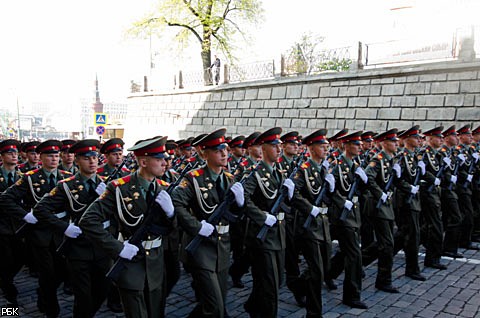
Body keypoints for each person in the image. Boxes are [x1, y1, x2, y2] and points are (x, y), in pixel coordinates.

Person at [80, 136, 176, 318]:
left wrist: (171, 214)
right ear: (143, 161)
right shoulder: (119, 188)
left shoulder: (165, 188)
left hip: (155, 263)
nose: (165, 163)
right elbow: (88, 221)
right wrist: (118, 248)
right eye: (159, 159)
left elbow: (172, 230)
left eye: (165, 159)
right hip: (129, 262)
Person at [172, 128, 245, 318]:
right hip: (201, 248)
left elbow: (234, 213)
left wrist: (240, 203)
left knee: (215, 300)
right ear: (205, 154)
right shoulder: (193, 178)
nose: (224, 153)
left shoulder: (229, 178)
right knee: (215, 307)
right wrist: (197, 227)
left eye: (225, 149)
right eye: (217, 150)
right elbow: (176, 204)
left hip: (222, 246)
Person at [33, 139, 110, 318]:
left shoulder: (109, 185)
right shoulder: (66, 185)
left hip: (102, 246)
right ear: (77, 161)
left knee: (103, 290)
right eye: (86, 158)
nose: (91, 161)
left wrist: (106, 199)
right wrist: (64, 228)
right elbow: (40, 209)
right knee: (83, 298)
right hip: (78, 249)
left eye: (94, 157)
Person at [0, 140, 72, 317]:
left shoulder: (68, 177)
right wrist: (25, 215)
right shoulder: (30, 177)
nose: (54, 159)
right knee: (45, 273)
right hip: (37, 232)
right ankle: (49, 310)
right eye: (50, 155)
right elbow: (6, 199)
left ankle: (42, 294)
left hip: (61, 231)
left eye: (57, 155)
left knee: (62, 272)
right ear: (41, 157)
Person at [243, 127, 292, 318]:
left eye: (279, 145)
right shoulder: (254, 173)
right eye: (274, 146)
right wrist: (262, 216)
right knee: (270, 284)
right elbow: (244, 201)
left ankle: (253, 305)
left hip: (278, 233)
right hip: (262, 235)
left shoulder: (278, 173)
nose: (279, 149)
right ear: (263, 148)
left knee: (276, 280)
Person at [288, 129, 336, 315]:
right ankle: (314, 312)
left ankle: (298, 286)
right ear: (312, 148)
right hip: (308, 225)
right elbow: (293, 193)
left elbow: (328, 197)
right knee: (316, 272)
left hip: (323, 224)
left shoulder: (324, 168)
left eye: (326, 146)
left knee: (324, 267)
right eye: (322, 146)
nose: (326, 148)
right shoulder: (304, 170)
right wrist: (309, 207)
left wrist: (331, 189)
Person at [327, 131, 368, 308]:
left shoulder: (355, 165)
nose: (360, 147)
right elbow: (330, 190)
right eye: (356, 144)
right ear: (346, 146)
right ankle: (352, 296)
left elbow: (361, 191)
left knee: (345, 253)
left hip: (354, 215)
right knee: (354, 255)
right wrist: (342, 202)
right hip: (342, 217)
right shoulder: (337, 166)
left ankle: (313, 280)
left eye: (360, 145)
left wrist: (364, 181)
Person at [364, 128, 401, 293]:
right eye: (393, 141)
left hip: (388, 206)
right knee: (386, 245)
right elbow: (368, 177)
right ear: (385, 143)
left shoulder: (391, 160)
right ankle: (383, 280)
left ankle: (355, 263)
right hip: (379, 207)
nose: (396, 144)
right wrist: (380, 194)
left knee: (383, 244)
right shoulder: (378, 159)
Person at [393, 126, 426, 281]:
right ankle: (412, 269)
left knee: (403, 236)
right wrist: (408, 187)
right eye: (416, 137)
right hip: (405, 201)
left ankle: (379, 255)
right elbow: (397, 180)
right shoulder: (401, 157)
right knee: (411, 236)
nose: (419, 140)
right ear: (406, 139)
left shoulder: (414, 157)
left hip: (413, 200)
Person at [419, 126, 448, 269]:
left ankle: (431, 255)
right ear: (430, 139)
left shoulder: (435, 154)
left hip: (434, 193)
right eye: (438, 137)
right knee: (436, 226)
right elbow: (421, 172)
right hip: (427, 192)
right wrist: (431, 178)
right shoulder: (424, 154)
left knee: (429, 226)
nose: (442, 139)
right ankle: (432, 259)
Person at [0, 139, 25, 306]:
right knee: (6, 260)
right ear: (1, 156)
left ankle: (5, 280)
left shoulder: (23, 177)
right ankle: (10, 297)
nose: (14, 156)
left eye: (15, 153)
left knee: (20, 259)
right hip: (1, 227)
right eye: (10, 153)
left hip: (19, 227)